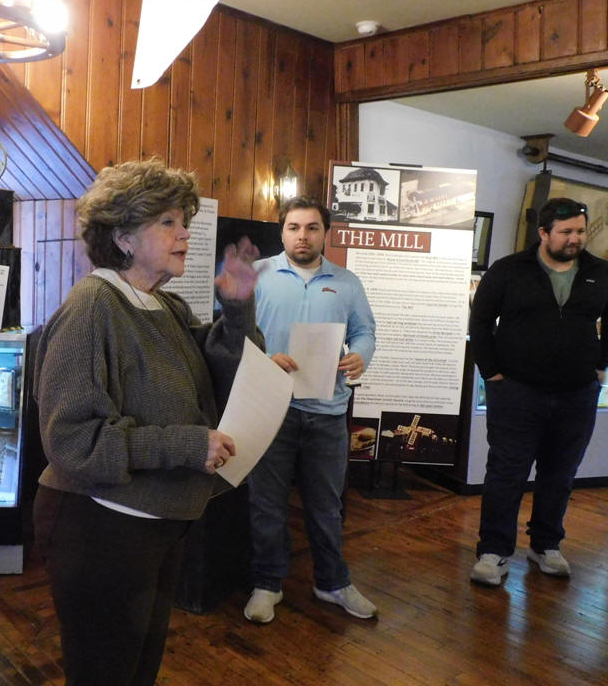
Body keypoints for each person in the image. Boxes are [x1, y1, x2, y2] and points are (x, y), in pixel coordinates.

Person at [32, 159, 263, 686]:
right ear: (124, 238)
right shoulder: (93, 307)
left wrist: (236, 310)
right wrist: (185, 446)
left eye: (184, 221)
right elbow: (72, 441)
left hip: (154, 524)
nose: (185, 234)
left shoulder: (165, 305)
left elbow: (221, 371)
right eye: (167, 222)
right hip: (100, 527)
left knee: (136, 671)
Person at [468, 197, 608, 586]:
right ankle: (494, 551)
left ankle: (546, 545)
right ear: (543, 233)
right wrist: (492, 374)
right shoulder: (509, 270)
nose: (575, 238)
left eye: (580, 231)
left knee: (560, 473)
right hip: (516, 390)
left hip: (577, 393)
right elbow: (481, 321)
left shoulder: (602, 272)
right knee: (506, 472)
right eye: (566, 231)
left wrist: (601, 363)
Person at [244, 195, 377, 623]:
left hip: (327, 411)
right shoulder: (257, 275)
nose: (303, 236)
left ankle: (332, 582)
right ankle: (267, 584)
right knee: (267, 503)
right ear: (282, 232)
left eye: (312, 228)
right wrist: (263, 357)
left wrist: (360, 355)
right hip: (270, 407)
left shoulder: (347, 283)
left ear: (325, 233)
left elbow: (365, 331)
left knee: (326, 506)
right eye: (294, 227)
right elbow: (229, 332)